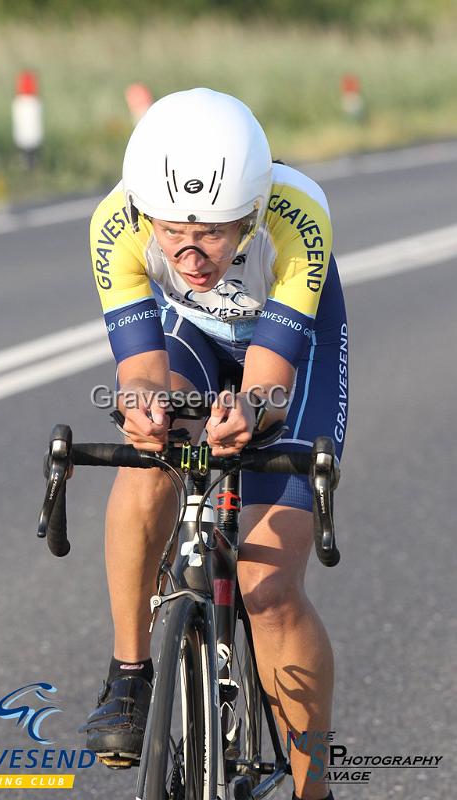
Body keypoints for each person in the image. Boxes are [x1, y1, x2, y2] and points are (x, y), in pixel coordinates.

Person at [79, 87, 348, 800]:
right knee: (148, 439)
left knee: (268, 589)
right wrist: (143, 407)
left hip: (289, 350)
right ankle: (131, 673)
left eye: (218, 234)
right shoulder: (114, 221)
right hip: (195, 339)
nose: (193, 257)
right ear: (143, 214)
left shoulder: (298, 215)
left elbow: (268, 385)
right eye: (171, 234)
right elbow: (139, 365)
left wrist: (249, 414)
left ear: (253, 216)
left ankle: (313, 786)